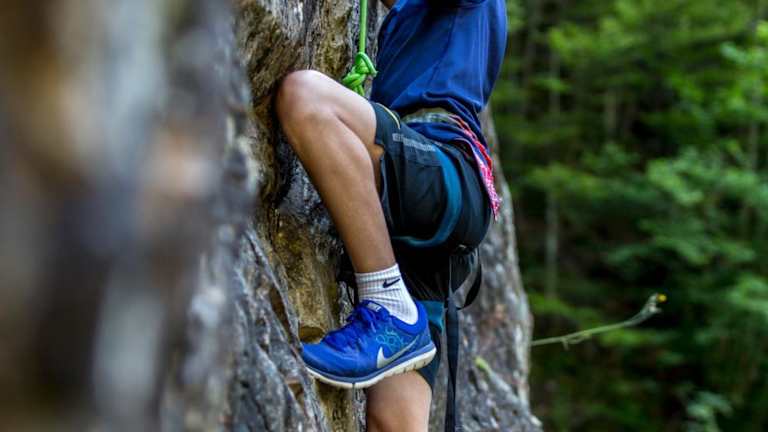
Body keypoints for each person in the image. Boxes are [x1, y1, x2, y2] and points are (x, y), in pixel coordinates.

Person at [275, 0, 506, 430]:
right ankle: (395, 307)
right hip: (426, 220)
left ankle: (386, 300)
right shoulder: (414, 13)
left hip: (441, 167)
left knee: (307, 97)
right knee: (393, 422)